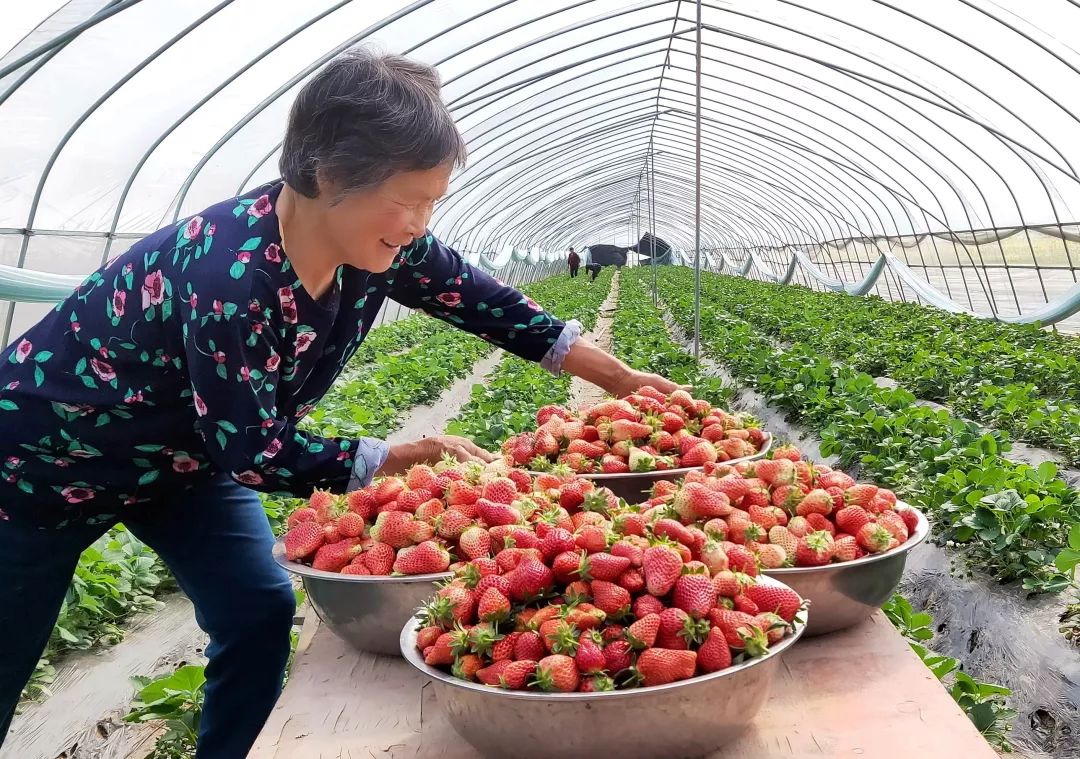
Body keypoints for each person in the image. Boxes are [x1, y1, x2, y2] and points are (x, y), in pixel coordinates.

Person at [0, 50, 683, 757]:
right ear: (329, 175)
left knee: (259, 609)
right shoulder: (229, 277)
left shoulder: (382, 245)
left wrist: (620, 378)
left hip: (180, 461)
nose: (420, 222)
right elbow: (255, 451)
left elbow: (492, 306)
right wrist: (395, 457)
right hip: (38, 465)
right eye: (408, 199)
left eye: (433, 202)